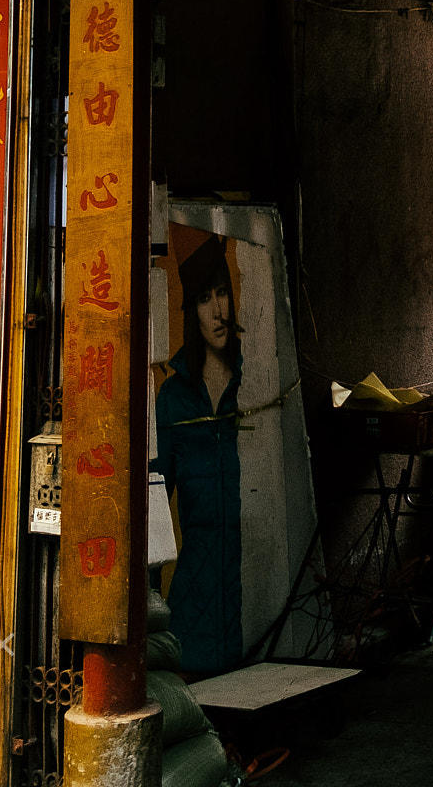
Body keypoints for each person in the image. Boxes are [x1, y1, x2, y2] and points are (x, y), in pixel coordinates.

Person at [152, 235, 244, 675]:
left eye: (222, 292)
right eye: (205, 299)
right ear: (191, 310)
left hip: (245, 581)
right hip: (197, 585)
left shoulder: (251, 384)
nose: (218, 311)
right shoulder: (174, 398)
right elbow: (157, 500)